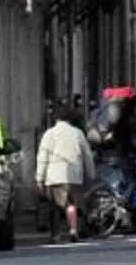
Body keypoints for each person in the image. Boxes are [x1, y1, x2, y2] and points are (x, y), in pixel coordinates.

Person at [35, 103, 93, 243]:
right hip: (74, 175)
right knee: (71, 204)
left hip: (54, 176)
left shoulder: (49, 134)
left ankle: (56, 235)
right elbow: (87, 155)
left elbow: (43, 157)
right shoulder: (78, 133)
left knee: (54, 207)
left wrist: (39, 177)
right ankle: (73, 230)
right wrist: (90, 174)